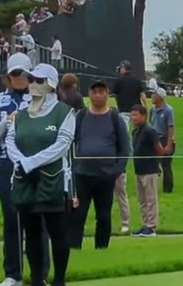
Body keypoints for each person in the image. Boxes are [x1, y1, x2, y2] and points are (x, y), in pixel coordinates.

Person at [5, 63, 76, 286]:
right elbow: (10, 140)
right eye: (31, 80)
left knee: (57, 231)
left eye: (39, 80)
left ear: (51, 85)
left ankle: (59, 283)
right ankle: (37, 282)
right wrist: (21, 162)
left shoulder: (65, 113)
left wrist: (32, 162)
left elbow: (62, 144)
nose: (33, 84)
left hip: (52, 180)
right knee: (32, 231)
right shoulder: (21, 114)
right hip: (25, 179)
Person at [0, 52, 34, 286]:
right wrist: (6, 122)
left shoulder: (39, 97)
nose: (19, 77)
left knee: (36, 218)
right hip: (6, 164)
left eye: (23, 73)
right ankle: (13, 274)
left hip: (33, 163)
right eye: (15, 73)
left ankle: (39, 273)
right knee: (11, 217)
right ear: (8, 75)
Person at [68, 79, 130, 250]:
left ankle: (101, 248)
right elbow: (70, 143)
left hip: (105, 175)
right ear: (89, 94)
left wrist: (117, 170)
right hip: (82, 174)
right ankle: (74, 249)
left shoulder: (114, 117)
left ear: (107, 94)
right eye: (94, 92)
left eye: (101, 92)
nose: (97, 95)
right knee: (77, 215)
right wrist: (72, 168)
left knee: (103, 216)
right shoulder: (81, 116)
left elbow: (125, 148)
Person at [110, 60, 145, 234]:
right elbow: (142, 95)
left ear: (123, 69)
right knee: (132, 134)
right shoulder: (137, 81)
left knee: (123, 136)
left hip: (124, 110)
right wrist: (144, 107)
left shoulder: (119, 81)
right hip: (135, 110)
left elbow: (114, 94)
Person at [128, 104, 170, 237]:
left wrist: (157, 162)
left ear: (143, 116)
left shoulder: (149, 131)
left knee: (150, 199)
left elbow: (159, 149)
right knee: (142, 200)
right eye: (132, 115)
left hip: (149, 169)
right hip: (139, 170)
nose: (133, 118)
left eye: (136, 115)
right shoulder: (135, 132)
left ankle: (151, 226)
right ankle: (145, 224)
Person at [148, 88, 176, 193]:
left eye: (154, 95)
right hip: (154, 138)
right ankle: (151, 187)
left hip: (164, 138)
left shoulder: (168, 110)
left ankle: (168, 188)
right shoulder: (152, 110)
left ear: (160, 97)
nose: (152, 97)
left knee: (166, 164)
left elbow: (170, 127)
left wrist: (169, 144)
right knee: (152, 163)